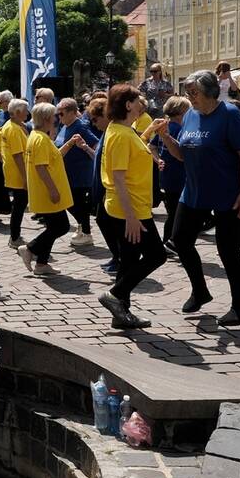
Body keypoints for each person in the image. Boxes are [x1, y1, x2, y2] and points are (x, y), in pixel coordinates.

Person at [159, 70, 240, 326]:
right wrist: (165, 137)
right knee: (179, 240)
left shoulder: (230, 115)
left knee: (228, 252)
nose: (191, 98)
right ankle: (200, 290)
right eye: (188, 93)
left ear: (211, 92)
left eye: (195, 93)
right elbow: (183, 154)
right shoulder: (191, 115)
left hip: (226, 193)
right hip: (193, 192)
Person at [96, 84, 166, 329]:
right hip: (130, 208)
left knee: (128, 260)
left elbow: (134, 148)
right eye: (138, 101)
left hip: (131, 206)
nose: (141, 104)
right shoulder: (121, 134)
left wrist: (149, 132)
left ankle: (121, 313)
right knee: (157, 255)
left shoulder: (124, 130)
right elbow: (118, 178)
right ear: (127, 105)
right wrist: (131, 218)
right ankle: (115, 295)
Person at [18, 102, 73, 276]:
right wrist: (53, 190)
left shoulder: (37, 136)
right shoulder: (40, 139)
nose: (56, 119)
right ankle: (30, 248)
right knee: (61, 226)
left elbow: (53, 158)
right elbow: (41, 167)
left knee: (53, 226)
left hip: (44, 191)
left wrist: (69, 144)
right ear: (48, 118)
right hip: (46, 192)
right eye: (54, 116)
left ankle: (41, 264)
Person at [54, 98, 99, 246]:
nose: (58, 117)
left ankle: (86, 232)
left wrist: (85, 148)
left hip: (80, 175)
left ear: (72, 113)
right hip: (68, 173)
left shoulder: (80, 126)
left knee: (76, 203)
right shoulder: (65, 126)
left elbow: (97, 144)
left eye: (61, 113)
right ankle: (83, 227)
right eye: (57, 114)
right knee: (71, 203)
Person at [87, 99, 118, 273]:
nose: (93, 123)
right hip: (102, 188)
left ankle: (119, 257)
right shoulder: (106, 132)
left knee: (108, 223)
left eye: (95, 119)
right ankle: (116, 256)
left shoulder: (113, 133)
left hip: (109, 189)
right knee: (103, 222)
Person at [155, 96, 189, 250]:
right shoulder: (180, 129)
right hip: (178, 176)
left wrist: (158, 160)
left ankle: (168, 241)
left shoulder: (164, 125)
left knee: (172, 211)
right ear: (182, 111)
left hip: (167, 175)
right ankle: (170, 242)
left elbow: (151, 146)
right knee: (176, 212)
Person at [1, 97, 30, 249]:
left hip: (15, 172)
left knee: (19, 205)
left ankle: (15, 235)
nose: (28, 113)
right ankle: (14, 237)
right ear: (18, 112)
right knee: (19, 206)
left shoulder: (15, 126)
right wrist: (25, 178)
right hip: (18, 174)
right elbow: (18, 155)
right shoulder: (13, 129)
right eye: (25, 110)